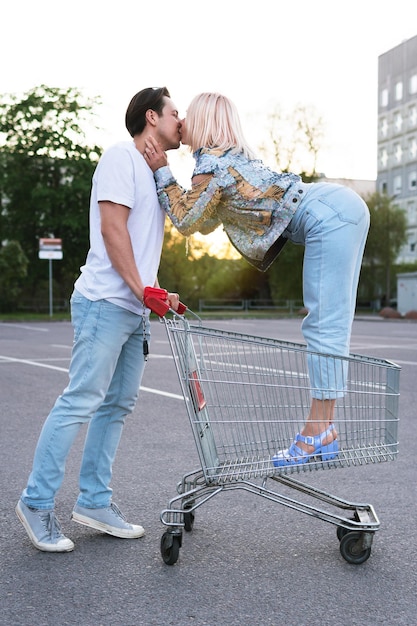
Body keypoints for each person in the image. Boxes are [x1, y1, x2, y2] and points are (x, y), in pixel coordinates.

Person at [143, 91, 370, 468]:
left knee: (324, 325)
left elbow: (185, 220)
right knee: (331, 324)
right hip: (337, 208)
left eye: (186, 116)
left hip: (327, 216)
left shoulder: (212, 163)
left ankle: (315, 435)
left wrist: (161, 170)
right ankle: (324, 432)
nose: (181, 123)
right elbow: (205, 220)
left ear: (203, 122)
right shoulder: (230, 158)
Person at [16, 86, 182, 552]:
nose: (181, 119)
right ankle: (36, 502)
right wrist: (139, 288)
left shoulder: (153, 171)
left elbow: (140, 243)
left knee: (117, 405)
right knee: (81, 400)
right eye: (174, 112)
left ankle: (93, 501)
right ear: (151, 116)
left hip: (133, 307)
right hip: (106, 302)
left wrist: (153, 289)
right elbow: (112, 230)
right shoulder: (119, 158)